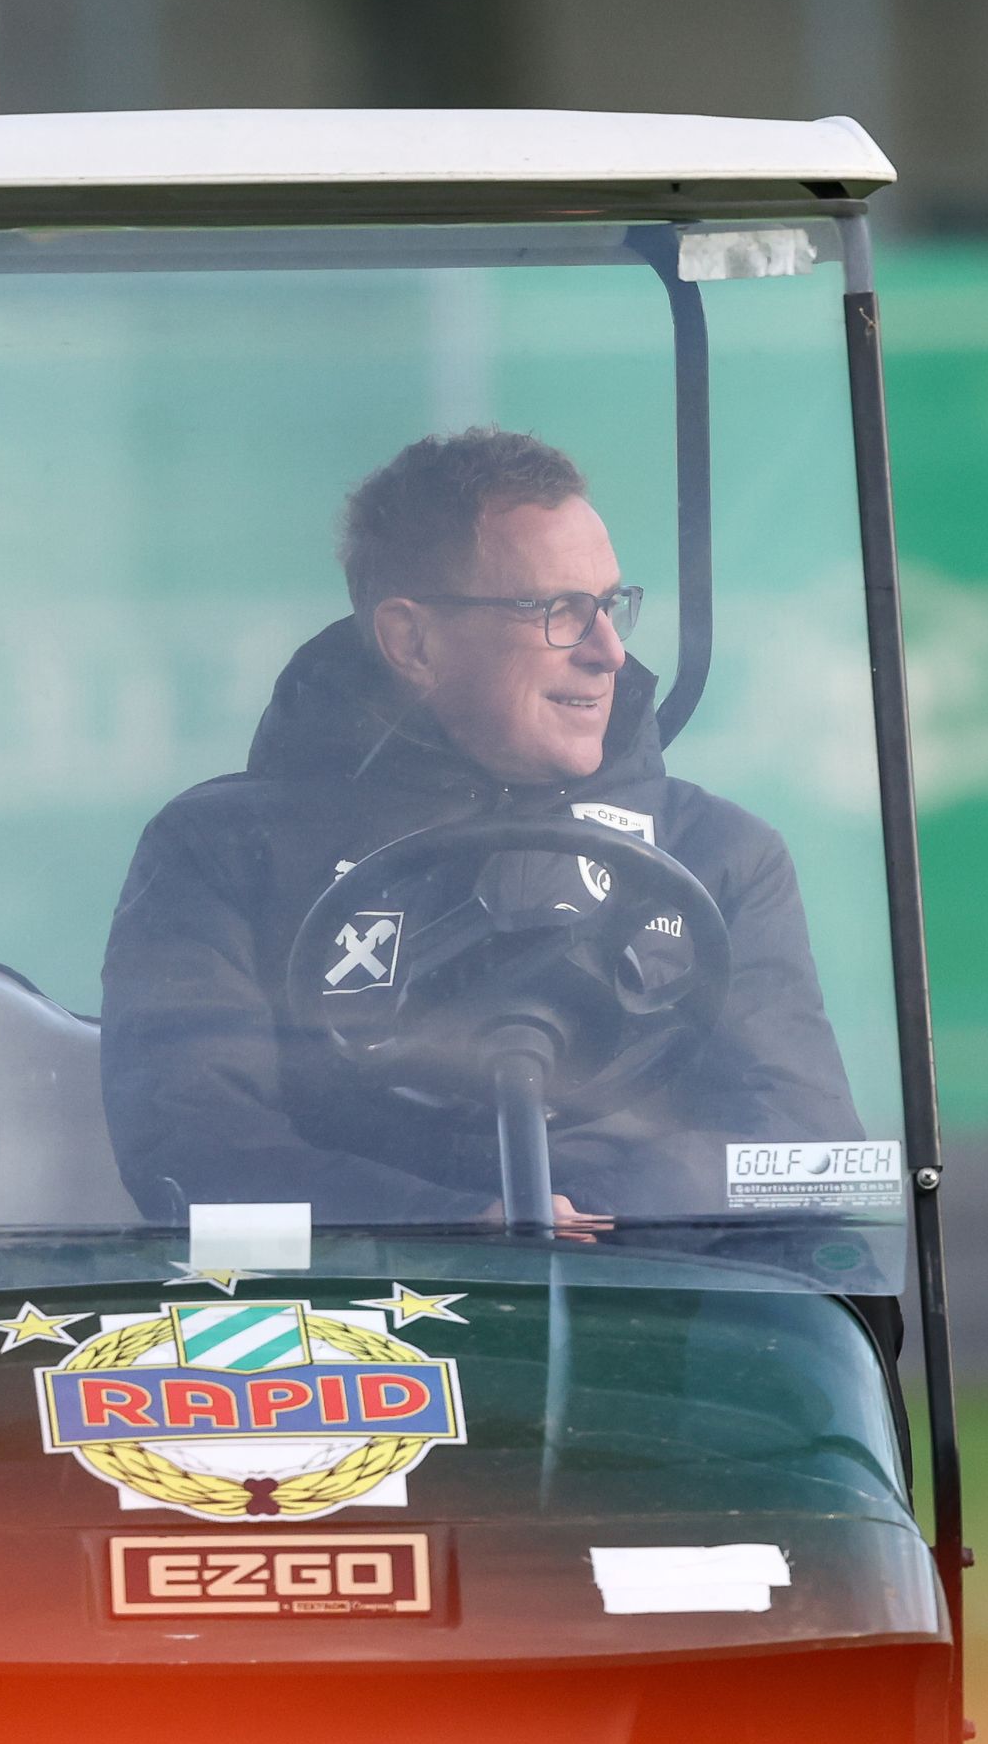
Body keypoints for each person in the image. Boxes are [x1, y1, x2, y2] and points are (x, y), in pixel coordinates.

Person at [101, 427, 859, 1232]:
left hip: (658, 1289)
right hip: (344, 1300)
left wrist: (596, 1218)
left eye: (610, 607)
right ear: (413, 641)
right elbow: (196, 1151)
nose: (608, 652)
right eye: (558, 611)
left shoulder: (719, 854)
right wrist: (451, 1226)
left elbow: (807, 1147)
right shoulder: (224, 849)